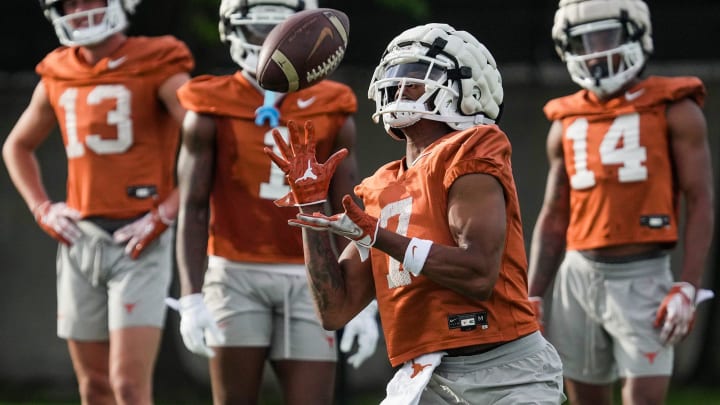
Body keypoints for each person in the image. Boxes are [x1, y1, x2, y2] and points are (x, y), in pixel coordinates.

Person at [266, 23, 566, 404]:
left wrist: (379, 236)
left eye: (416, 76)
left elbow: (478, 273)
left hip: (505, 370)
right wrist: (309, 205)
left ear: (468, 90)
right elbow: (334, 309)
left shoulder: (472, 147)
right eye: (395, 75)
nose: (398, 86)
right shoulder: (380, 185)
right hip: (422, 377)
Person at [171, 1, 379, 404]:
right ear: (231, 30)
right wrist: (191, 295)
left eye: (278, 30)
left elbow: (350, 213)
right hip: (234, 272)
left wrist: (365, 300)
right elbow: (193, 207)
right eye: (258, 29)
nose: (269, 42)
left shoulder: (334, 105)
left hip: (312, 276)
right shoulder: (208, 107)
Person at [1, 0, 193, 404]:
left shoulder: (156, 59)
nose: (83, 9)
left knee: (127, 384)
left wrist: (168, 209)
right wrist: (42, 207)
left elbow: (206, 146)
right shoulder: (58, 70)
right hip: (81, 239)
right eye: (73, 1)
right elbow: (16, 146)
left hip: (140, 238)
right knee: (93, 385)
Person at [526, 0, 715, 404]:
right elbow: (555, 215)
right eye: (583, 41)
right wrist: (534, 292)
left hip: (643, 274)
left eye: (604, 36)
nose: (594, 50)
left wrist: (689, 285)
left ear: (635, 34)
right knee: (583, 399)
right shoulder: (566, 120)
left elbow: (701, 201)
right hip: (577, 274)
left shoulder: (675, 108)